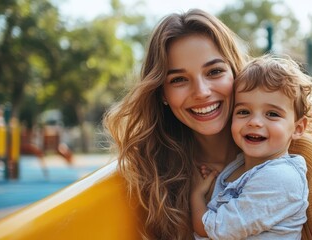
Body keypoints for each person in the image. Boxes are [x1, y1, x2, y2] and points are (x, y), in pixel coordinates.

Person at [103, 9, 247, 239]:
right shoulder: (152, 176)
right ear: (162, 93)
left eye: (215, 71)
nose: (201, 92)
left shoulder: (295, 152)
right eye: (179, 79)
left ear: (236, 73)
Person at [190, 54, 312, 239]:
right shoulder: (240, 165)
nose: (254, 122)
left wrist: (196, 195)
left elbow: (210, 228)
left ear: (298, 127)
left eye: (272, 114)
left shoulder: (281, 178)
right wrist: (214, 183)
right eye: (244, 111)